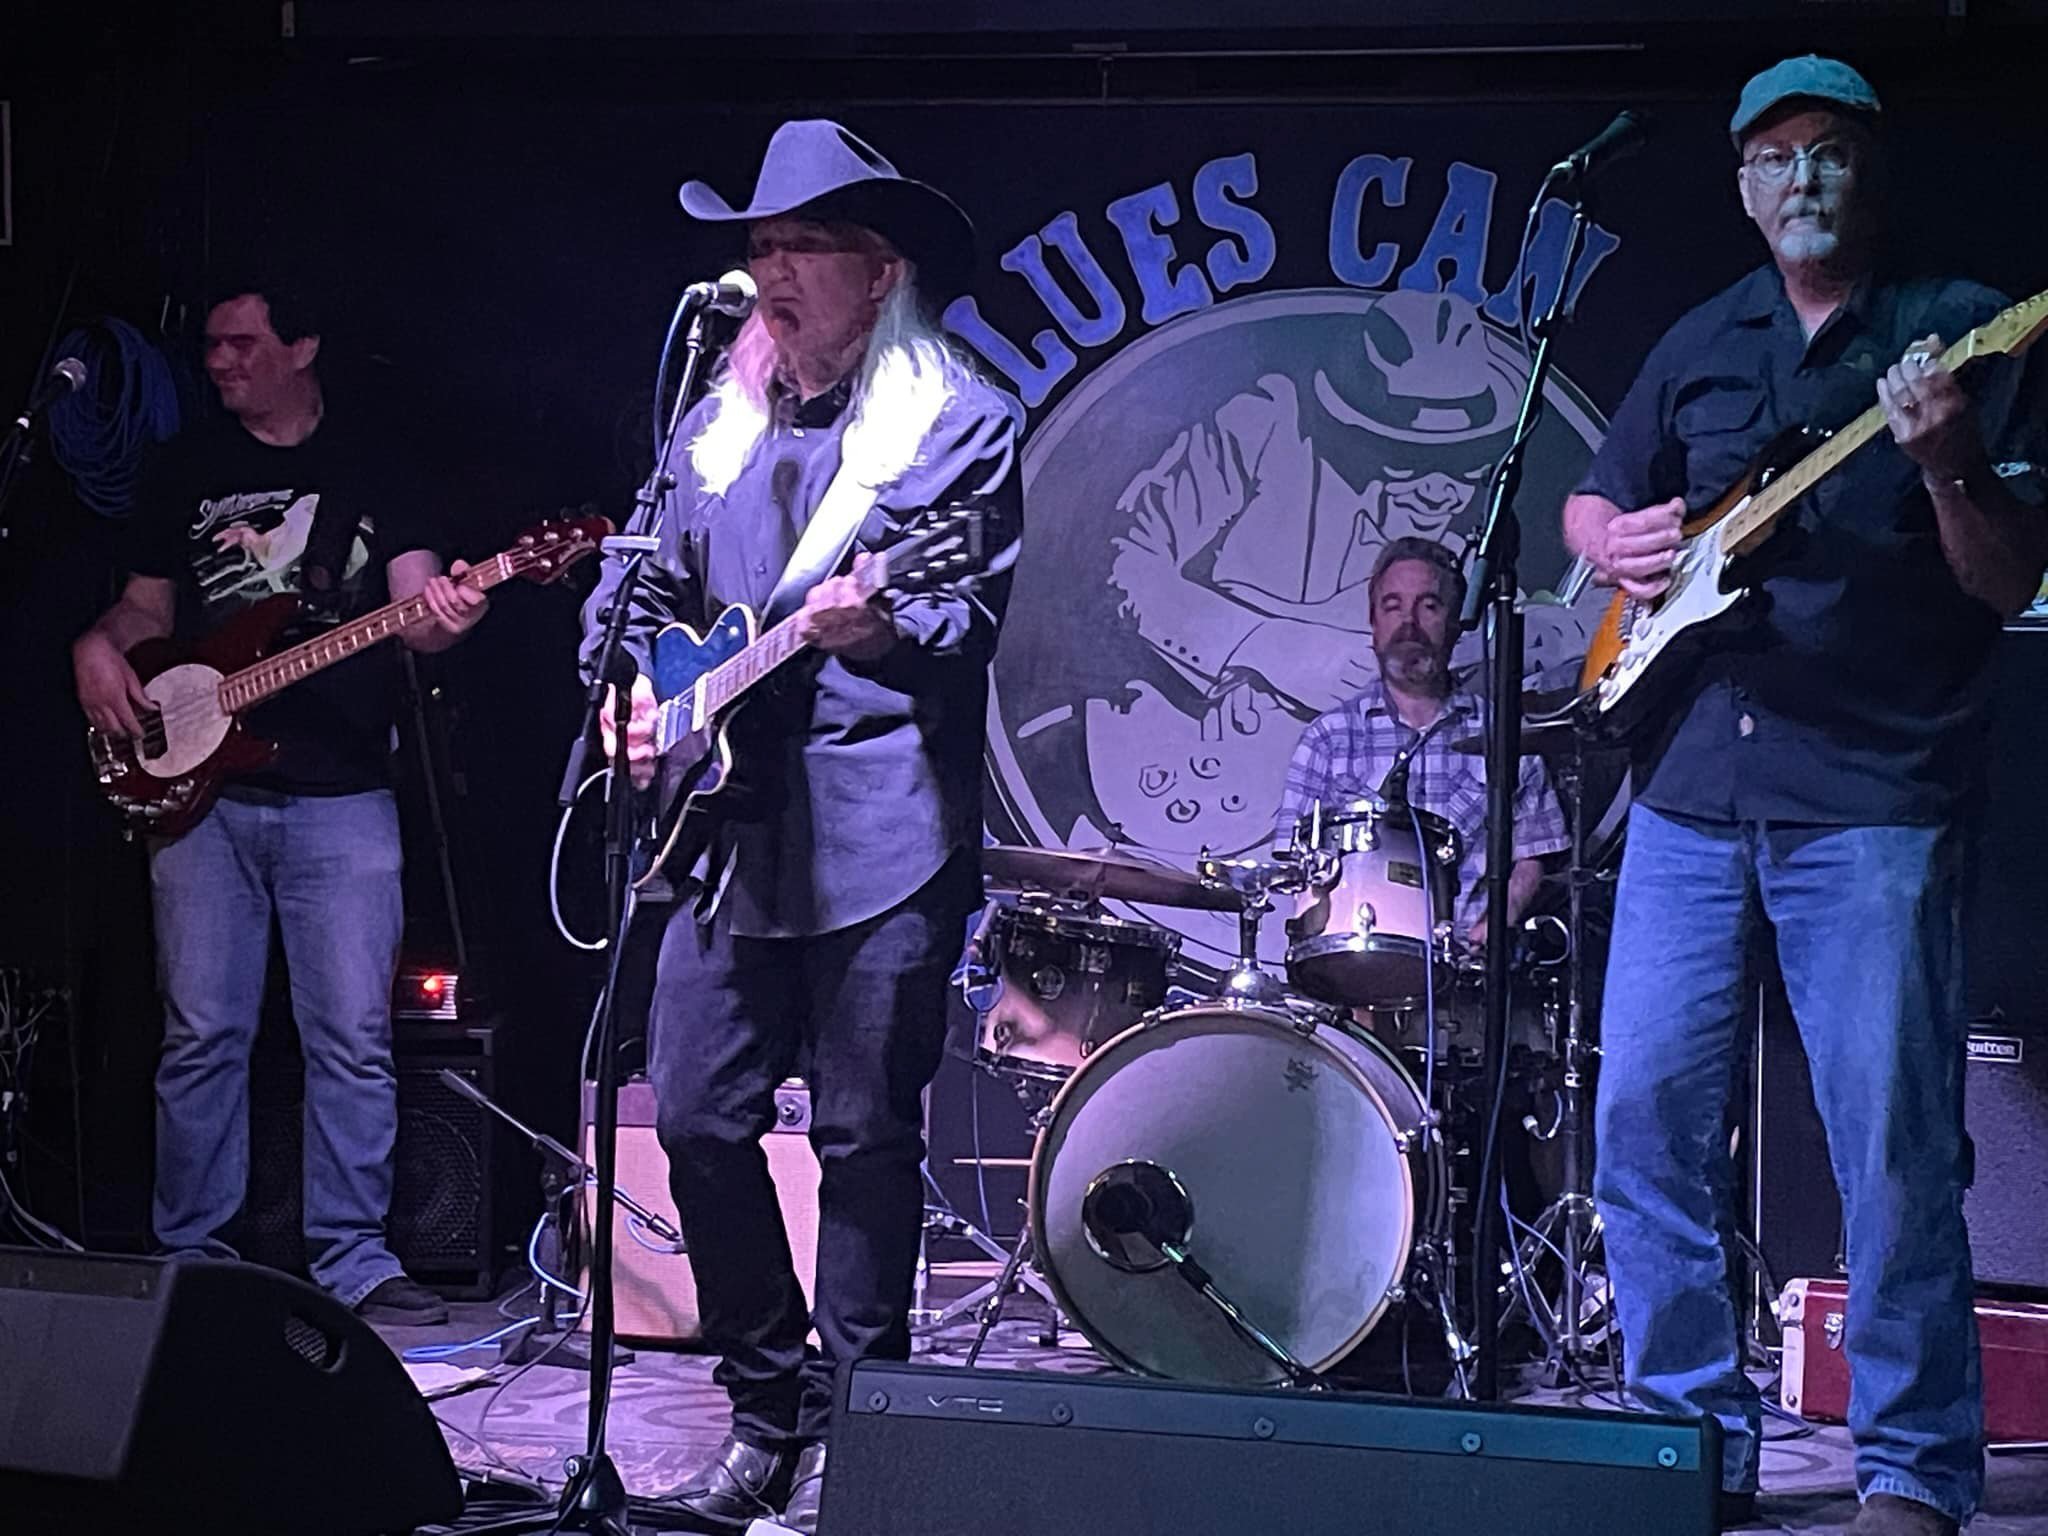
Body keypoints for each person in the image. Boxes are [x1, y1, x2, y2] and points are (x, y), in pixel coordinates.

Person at [1566, 57, 2047, 1536]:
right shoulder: (1704, 336)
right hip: (1690, 788)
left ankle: (1909, 1466)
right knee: (1642, 1124)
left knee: (1891, 1148)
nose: (1803, 183)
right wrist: (1610, 539)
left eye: (1828, 154)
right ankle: (1687, 1445)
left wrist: (1949, 465)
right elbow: (1594, 492)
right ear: (1742, 187)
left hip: (1873, 793)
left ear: (1869, 171)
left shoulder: (1959, 327)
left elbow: (2007, 578)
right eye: (1774, 160)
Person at [584, 120, 1022, 1534]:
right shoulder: (713, 421)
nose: (770, 273)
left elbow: (962, 616)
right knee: (695, 1116)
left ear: (879, 272)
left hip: (881, 825)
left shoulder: (955, 420)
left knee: (861, 1138)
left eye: (803, 246)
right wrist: (626, 697)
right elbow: (636, 591)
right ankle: (765, 1406)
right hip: (724, 833)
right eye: (760, 246)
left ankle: (857, 1424)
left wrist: (878, 627)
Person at [71, 282, 488, 1324]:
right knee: (201, 1035)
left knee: (350, 1037)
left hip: (343, 791)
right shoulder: (187, 466)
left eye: (241, 343)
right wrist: (97, 646)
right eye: (211, 345)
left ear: (302, 345)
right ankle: (193, 1256)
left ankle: (354, 1260)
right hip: (202, 792)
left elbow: (419, 610)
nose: (219, 362)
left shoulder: (376, 460)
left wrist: (448, 613)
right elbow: (145, 610)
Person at [1273, 535, 1569, 949]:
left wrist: (1497, 922)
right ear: (1374, 623)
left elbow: (1533, 852)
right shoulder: (1327, 740)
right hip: (1359, 968)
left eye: (1429, 606)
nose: (1408, 623)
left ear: (1455, 622)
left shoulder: (1503, 734)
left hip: (1467, 965)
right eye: (1392, 606)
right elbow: (1297, 870)